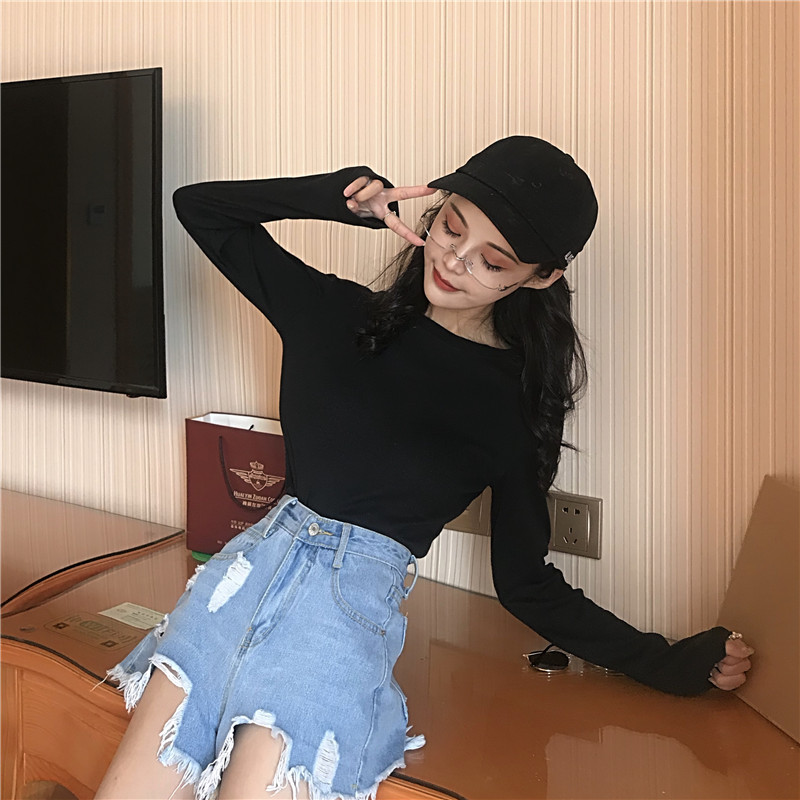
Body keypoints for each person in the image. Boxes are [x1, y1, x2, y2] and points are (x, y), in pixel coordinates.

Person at [96, 136, 753, 800]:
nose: (454, 260)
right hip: (234, 588)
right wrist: (332, 198)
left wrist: (669, 662)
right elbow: (199, 207)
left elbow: (527, 584)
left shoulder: (516, 405)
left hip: (337, 625)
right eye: (451, 227)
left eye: (492, 261)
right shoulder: (335, 314)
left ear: (540, 277)